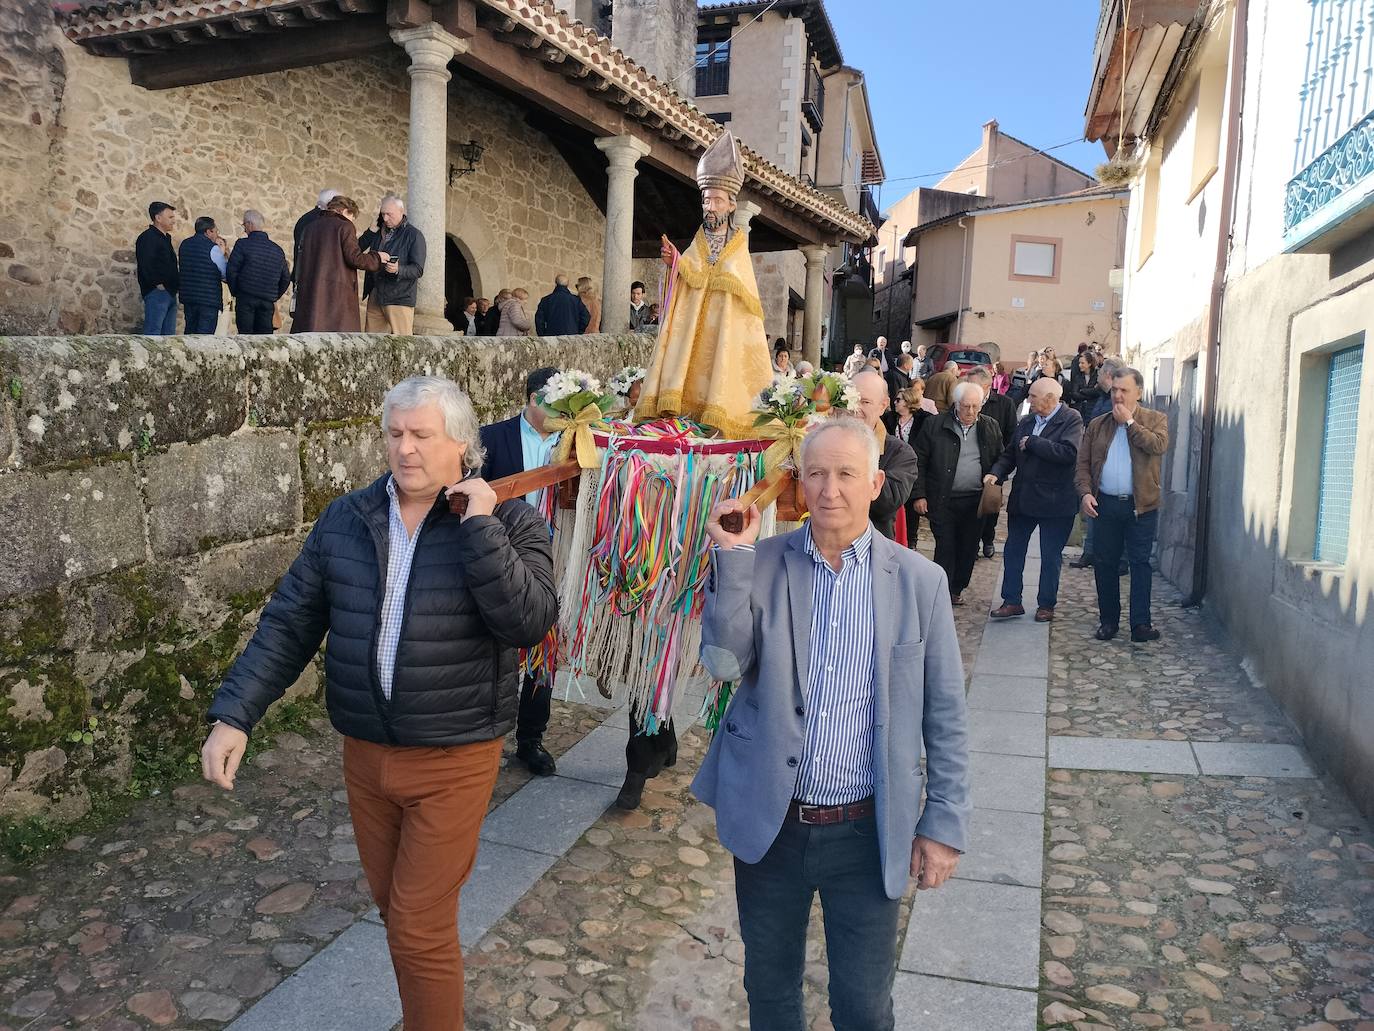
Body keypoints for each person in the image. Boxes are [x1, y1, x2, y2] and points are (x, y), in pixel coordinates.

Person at [201, 376, 557, 1031]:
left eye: (422, 434)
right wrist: (235, 714)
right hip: (366, 756)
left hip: (453, 755)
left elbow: (529, 621)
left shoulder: (508, 519)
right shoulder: (348, 517)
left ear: (461, 444)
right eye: (395, 433)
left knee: (417, 927)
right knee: (403, 918)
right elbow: (290, 620)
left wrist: (479, 529)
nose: (406, 448)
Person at [694, 416, 970, 1031]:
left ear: (876, 483)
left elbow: (946, 714)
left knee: (864, 1007)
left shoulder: (921, 582)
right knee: (770, 993)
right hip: (775, 823)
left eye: (846, 474)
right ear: (799, 481)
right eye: (815, 473)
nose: (830, 490)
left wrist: (943, 821)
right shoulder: (760, 563)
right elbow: (721, 663)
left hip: (868, 829)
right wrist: (732, 557)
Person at [636, 131, 773, 437]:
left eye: (717, 200)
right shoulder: (696, 244)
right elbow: (690, 273)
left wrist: (712, 276)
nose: (710, 207)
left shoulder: (738, 246)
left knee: (719, 378)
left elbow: (743, 291)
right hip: (693, 329)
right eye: (706, 200)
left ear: (731, 204)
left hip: (723, 329)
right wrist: (675, 265)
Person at [479, 367, 563, 777]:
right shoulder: (491, 437)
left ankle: (531, 738)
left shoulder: (575, 441)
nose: (563, 409)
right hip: (503, 556)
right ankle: (482, 735)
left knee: (544, 646)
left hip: (553, 557)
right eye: (555, 400)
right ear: (532, 399)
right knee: (493, 648)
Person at [1076, 367, 1169, 642]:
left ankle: (1140, 624)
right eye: (1114, 390)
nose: (1117, 395)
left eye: (1124, 390)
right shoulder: (1098, 425)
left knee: (1140, 564)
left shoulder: (1155, 419)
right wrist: (1084, 493)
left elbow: (1158, 445)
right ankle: (1109, 621)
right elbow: (1082, 464)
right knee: (1105, 564)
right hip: (1104, 504)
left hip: (1141, 506)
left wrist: (1130, 423)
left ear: (1138, 393)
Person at [986, 378, 1084, 623]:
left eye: (1033, 396)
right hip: (1023, 497)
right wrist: (996, 473)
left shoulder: (1071, 419)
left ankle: (1046, 604)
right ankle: (1011, 600)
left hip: (1056, 500)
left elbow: (1068, 453)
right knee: (1013, 550)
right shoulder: (1028, 420)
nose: (1028, 400)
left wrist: (1034, 443)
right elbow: (1010, 453)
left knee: (1050, 555)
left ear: (1050, 398)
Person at [912, 382, 1004, 605]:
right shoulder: (935, 425)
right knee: (945, 546)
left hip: (975, 500)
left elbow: (1001, 458)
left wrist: (995, 474)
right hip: (942, 498)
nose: (970, 412)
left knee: (969, 547)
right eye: (965, 406)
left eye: (975, 406)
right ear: (956, 404)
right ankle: (941, 589)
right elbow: (919, 461)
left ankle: (957, 588)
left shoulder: (990, 426)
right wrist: (919, 494)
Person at [292, 195, 386, 333]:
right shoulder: (345, 226)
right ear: (346, 211)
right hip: (335, 296)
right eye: (352, 217)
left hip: (310, 293)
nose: (352, 221)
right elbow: (354, 258)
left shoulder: (309, 227)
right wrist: (377, 258)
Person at [1069, 357, 1124, 569]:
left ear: (1108, 375)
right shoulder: (1102, 397)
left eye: (1100, 374)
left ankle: (1118, 558)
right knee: (1092, 508)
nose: (1097, 378)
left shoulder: (1117, 401)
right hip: (1095, 461)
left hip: (1110, 464)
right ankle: (1090, 551)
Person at [851, 370, 919, 542]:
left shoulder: (901, 453)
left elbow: (887, 503)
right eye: (851, 399)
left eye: (865, 402)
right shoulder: (826, 442)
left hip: (871, 549)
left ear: (883, 405)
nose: (856, 408)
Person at [965, 366, 1016, 558]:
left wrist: (1002, 465)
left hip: (995, 464)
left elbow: (1011, 434)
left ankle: (988, 539)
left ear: (986, 386)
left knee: (990, 507)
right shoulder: (965, 401)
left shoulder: (1004, 404)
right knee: (971, 508)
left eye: (973, 384)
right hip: (970, 463)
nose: (969, 388)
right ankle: (972, 544)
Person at [359, 195, 425, 335]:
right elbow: (356, 250)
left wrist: (398, 269)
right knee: (372, 344)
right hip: (376, 293)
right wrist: (371, 231)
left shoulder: (414, 235)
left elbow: (418, 269)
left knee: (404, 343)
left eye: (389, 214)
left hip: (399, 297)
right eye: (383, 214)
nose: (385, 218)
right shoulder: (377, 231)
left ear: (401, 212)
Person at [883, 386, 934, 547]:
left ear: (908, 401)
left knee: (912, 507)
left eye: (899, 400)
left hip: (913, 467)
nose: (895, 403)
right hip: (892, 466)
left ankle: (911, 540)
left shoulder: (924, 420)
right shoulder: (888, 419)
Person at [225, 210, 290, 334]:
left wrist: (236, 291)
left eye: (244, 225)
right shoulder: (277, 250)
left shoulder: (242, 245)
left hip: (246, 298)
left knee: (246, 339)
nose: (244, 229)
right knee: (264, 340)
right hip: (267, 302)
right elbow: (286, 278)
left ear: (249, 224)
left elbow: (231, 271)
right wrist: (274, 295)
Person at [177, 216, 228, 334]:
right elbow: (224, 273)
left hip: (189, 298)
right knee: (205, 338)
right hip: (208, 299)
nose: (216, 235)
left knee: (190, 333)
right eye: (215, 231)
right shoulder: (213, 249)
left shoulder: (185, 245)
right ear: (208, 232)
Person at [136, 201, 179, 335]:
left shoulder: (165, 238)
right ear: (158, 218)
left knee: (169, 336)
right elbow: (146, 264)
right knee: (153, 334)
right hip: (157, 293)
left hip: (169, 292)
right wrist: (158, 284)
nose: (174, 221)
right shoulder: (148, 238)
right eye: (170, 217)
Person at [1067, 352, 1102, 421]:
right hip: (1081, 410)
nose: (1080, 365)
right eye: (1079, 363)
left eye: (1082, 363)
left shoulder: (1097, 375)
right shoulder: (1078, 377)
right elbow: (1074, 394)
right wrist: (1090, 395)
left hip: (1093, 409)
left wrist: (1082, 391)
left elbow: (1097, 391)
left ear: (1089, 364)